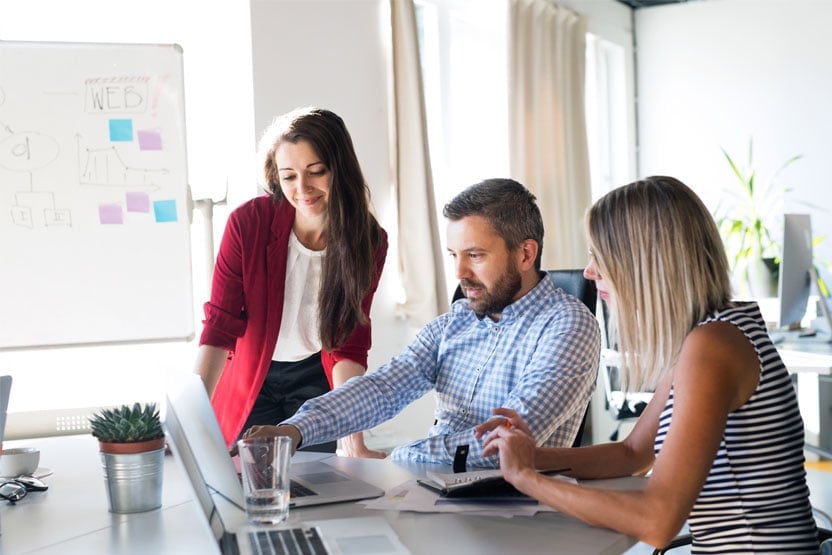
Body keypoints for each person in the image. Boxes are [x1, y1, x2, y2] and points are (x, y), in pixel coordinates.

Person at [476, 176, 820, 552]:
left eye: (599, 257)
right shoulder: (710, 334)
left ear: (643, 264)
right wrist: (530, 455)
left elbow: (658, 522)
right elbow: (633, 454)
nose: (589, 272)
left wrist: (528, 478)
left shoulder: (712, 346)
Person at [244, 178, 601, 467]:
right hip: (431, 494)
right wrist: (294, 430)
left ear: (525, 253)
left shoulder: (567, 326)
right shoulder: (455, 324)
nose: (460, 273)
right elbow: (382, 390)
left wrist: (399, 460)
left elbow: (505, 446)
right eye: (454, 256)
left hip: (506, 515)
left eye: (475, 256)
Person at [195, 107, 388, 458]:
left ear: (339, 169)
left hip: (316, 378)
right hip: (252, 376)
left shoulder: (368, 241)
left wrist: (353, 436)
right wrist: (192, 415)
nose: (302, 189)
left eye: (316, 172)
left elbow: (348, 344)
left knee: (314, 488)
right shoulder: (248, 224)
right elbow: (220, 326)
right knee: (251, 482)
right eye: (288, 177)